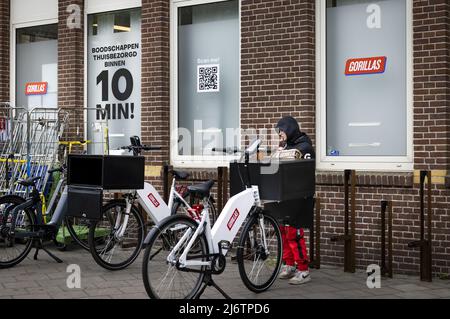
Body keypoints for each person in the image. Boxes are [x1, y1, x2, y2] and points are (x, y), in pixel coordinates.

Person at [275, 116, 315, 285]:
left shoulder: (304, 147)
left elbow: (303, 173)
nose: (279, 134)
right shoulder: (287, 147)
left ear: (290, 129)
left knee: (294, 233)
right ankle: (289, 265)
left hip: (299, 197)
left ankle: (303, 270)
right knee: (284, 231)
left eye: (281, 130)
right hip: (286, 196)